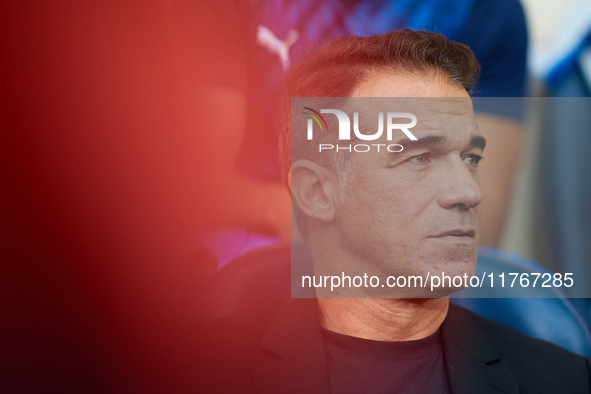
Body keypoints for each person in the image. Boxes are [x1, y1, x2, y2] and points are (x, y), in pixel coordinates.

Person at [196, 30, 590, 393]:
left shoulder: (563, 380)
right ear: (316, 192)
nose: (468, 191)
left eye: (470, 158)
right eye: (419, 158)